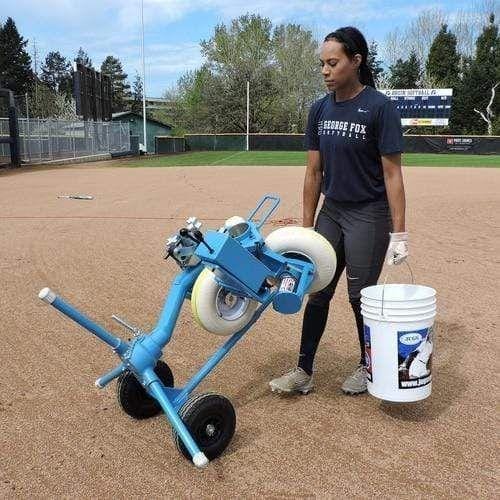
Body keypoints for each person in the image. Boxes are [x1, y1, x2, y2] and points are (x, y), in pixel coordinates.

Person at [269, 26, 408, 396]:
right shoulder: (319, 109)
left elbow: (393, 175)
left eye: (333, 63)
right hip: (332, 212)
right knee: (317, 290)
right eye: (322, 64)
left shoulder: (379, 108)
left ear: (356, 61)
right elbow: (313, 173)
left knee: (359, 297)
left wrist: (399, 233)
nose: (325, 71)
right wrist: (306, 230)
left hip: (369, 215)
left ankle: (368, 365)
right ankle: (303, 371)